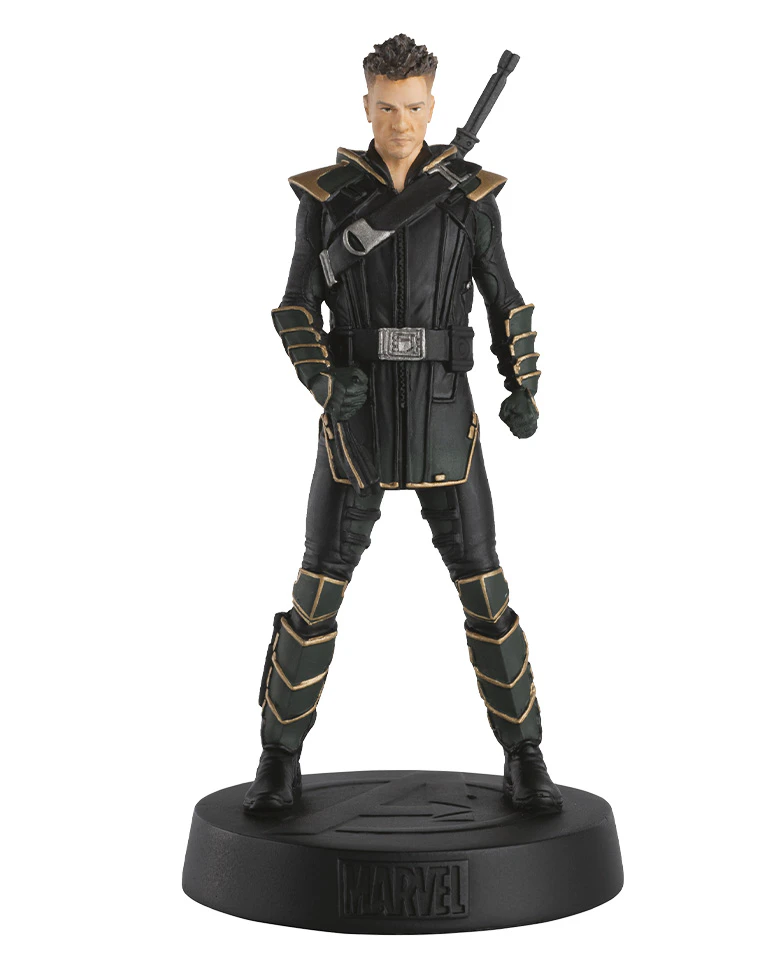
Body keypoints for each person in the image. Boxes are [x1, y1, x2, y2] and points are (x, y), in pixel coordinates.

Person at [244, 34, 562, 814]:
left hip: (445, 415)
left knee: (486, 594)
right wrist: (323, 380)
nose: (400, 124)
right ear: (367, 106)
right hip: (355, 424)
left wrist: (523, 385)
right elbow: (294, 305)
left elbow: (504, 298)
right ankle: (278, 760)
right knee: (316, 597)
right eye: (387, 108)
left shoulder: (469, 196)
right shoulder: (326, 198)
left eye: (413, 108)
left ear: (432, 106)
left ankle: (525, 756)